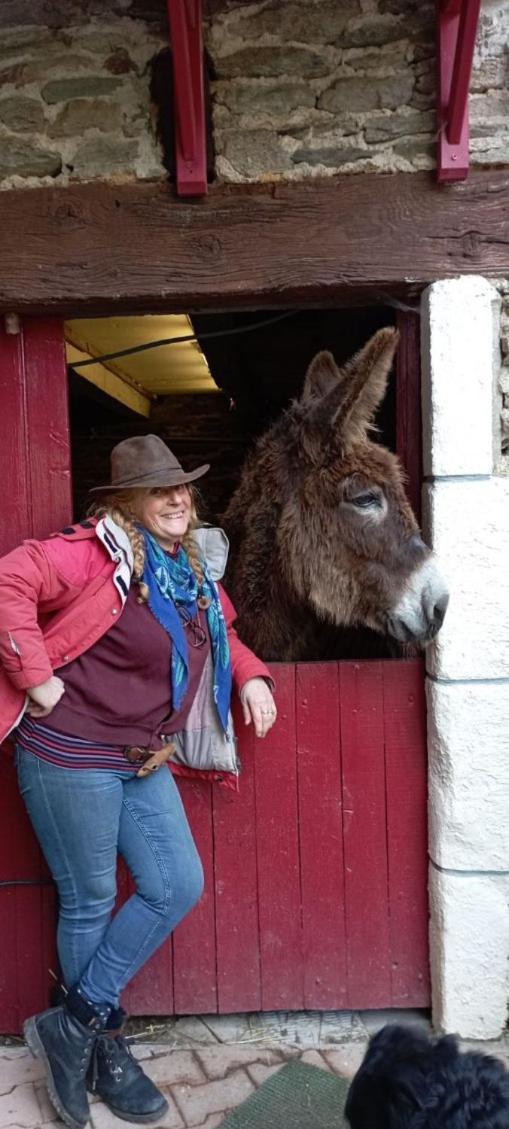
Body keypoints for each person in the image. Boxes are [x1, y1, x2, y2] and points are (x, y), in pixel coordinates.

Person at [0, 435, 277, 1129]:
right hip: (67, 752)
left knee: (175, 881)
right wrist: (35, 679)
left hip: (139, 756)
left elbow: (217, 632)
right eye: (160, 489)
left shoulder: (184, 567)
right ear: (126, 501)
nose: (178, 497)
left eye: (182, 486)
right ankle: (106, 1045)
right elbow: (7, 583)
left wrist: (249, 674)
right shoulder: (92, 554)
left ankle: (73, 1026)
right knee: (90, 899)